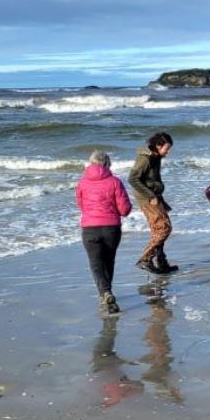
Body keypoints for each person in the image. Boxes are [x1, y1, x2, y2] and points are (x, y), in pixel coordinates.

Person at [76, 150, 132, 315]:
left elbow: (80, 204)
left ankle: (105, 294)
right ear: (107, 164)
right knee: (108, 261)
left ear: (91, 163)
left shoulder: (82, 182)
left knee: (96, 264)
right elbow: (124, 209)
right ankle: (107, 292)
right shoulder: (115, 181)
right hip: (111, 228)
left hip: (89, 228)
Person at [129, 132, 177, 274]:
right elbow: (132, 179)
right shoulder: (145, 159)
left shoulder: (156, 157)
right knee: (164, 229)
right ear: (157, 146)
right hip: (148, 198)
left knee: (160, 229)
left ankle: (161, 262)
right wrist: (150, 196)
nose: (168, 152)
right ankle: (145, 259)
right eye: (166, 148)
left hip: (155, 196)